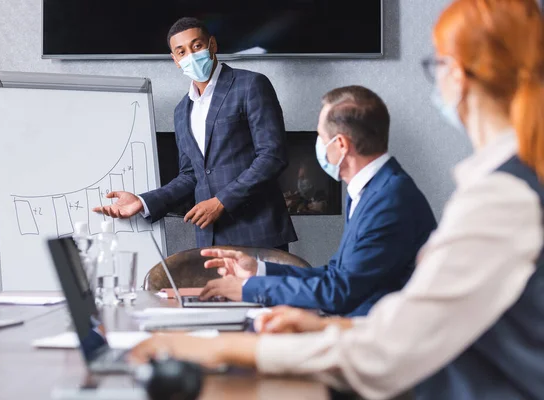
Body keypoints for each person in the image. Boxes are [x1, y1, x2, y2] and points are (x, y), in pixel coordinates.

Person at [128, 1, 544, 399]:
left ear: (458, 74)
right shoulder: (499, 185)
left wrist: (218, 349)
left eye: (435, 62)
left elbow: (386, 346)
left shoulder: (500, 198)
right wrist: (323, 326)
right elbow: (403, 321)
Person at [195, 85, 437, 316]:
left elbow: (340, 292)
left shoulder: (389, 200)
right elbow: (336, 274)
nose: (318, 145)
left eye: (321, 136)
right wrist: (258, 271)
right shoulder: (371, 189)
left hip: (377, 338)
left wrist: (248, 290)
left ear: (340, 144)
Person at [93, 17, 297, 250]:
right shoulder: (182, 111)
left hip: (259, 234)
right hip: (211, 237)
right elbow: (191, 175)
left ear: (212, 45)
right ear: (176, 60)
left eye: (196, 46)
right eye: (181, 52)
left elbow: (273, 156)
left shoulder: (251, 85)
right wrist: (142, 202)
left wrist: (221, 202)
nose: (190, 55)